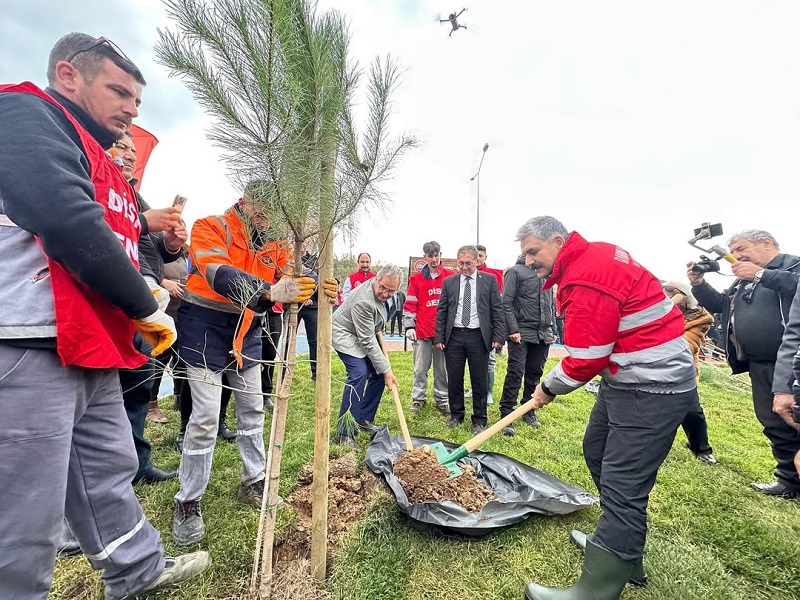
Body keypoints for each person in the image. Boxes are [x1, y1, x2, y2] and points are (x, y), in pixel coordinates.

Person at [0, 32, 209, 599]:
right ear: (69, 75)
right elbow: (68, 221)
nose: (132, 110)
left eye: (138, 100)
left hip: (89, 341)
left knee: (106, 469)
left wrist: (155, 247)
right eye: (120, 92)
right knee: (26, 503)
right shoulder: (24, 114)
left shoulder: (102, 162)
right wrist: (143, 305)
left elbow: (122, 232)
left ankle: (136, 569)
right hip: (29, 340)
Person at [519, 217, 697, 600]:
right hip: (627, 378)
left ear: (558, 241)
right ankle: (620, 543)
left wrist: (547, 388)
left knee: (623, 482)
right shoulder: (593, 256)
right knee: (597, 450)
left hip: (653, 387)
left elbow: (587, 358)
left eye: (533, 251)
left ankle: (597, 586)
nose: (529, 261)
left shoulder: (585, 276)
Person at [171, 181, 328, 545]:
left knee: (253, 410)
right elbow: (218, 273)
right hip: (204, 331)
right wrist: (269, 292)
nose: (268, 216)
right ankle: (188, 500)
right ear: (246, 201)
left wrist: (318, 285)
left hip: (246, 332)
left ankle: (254, 481)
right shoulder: (211, 227)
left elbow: (294, 274)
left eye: (275, 209)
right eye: (263, 207)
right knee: (205, 417)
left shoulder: (275, 242)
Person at [688, 229, 800, 498]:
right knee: (772, 421)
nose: (736, 256)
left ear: (766, 243)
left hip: (792, 361)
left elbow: (795, 286)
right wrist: (699, 284)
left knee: (795, 417)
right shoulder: (743, 280)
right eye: (733, 252)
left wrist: (761, 275)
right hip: (759, 362)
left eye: (741, 248)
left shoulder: (792, 266)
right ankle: (789, 480)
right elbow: (720, 304)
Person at [113, 130, 185, 485]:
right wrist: (143, 222)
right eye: (121, 146)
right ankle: (110, 470)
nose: (130, 154)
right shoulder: (97, 185)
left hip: (143, 304)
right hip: (114, 299)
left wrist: (171, 242)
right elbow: (91, 229)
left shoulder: (135, 196)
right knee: (105, 391)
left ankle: (137, 463)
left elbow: (158, 249)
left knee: (139, 379)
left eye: (132, 149)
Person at [435, 245, 505, 434]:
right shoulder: (449, 282)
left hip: (478, 336)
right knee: (454, 378)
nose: (464, 267)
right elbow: (442, 310)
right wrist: (439, 336)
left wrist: (499, 336)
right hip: (454, 336)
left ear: (476, 261)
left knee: (479, 379)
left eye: (468, 263)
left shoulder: (489, 280)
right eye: (461, 263)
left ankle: (479, 420)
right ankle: (456, 415)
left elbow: (497, 309)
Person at [333, 265, 401, 450]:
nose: (385, 293)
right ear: (376, 279)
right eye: (383, 287)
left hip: (364, 332)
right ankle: (344, 433)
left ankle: (363, 417)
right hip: (345, 333)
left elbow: (376, 323)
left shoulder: (390, 295)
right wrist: (387, 370)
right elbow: (367, 341)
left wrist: (383, 369)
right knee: (359, 373)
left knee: (379, 371)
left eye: (391, 291)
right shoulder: (363, 301)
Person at [498, 254, 554, 436]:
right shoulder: (514, 272)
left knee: (535, 373)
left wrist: (553, 328)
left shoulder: (546, 273)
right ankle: (507, 413)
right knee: (515, 372)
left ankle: (528, 410)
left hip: (543, 332)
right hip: (521, 331)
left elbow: (550, 303)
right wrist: (513, 329)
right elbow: (506, 302)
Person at [662, 281, 717, 464]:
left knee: (691, 411)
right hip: (651, 366)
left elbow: (688, 345)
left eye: (670, 290)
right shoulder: (659, 308)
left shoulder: (701, 318)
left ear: (685, 296)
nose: (665, 293)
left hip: (682, 369)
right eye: (664, 289)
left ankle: (701, 449)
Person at [404, 241, 455, 416]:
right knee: (420, 369)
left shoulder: (450, 277)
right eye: (430, 256)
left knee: (442, 370)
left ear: (440, 254)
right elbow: (410, 304)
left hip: (443, 333)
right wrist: (409, 326)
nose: (434, 259)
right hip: (422, 331)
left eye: (436, 255)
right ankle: (418, 398)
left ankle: (442, 400)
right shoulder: (415, 280)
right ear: (424, 257)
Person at [476, 244, 505, 404]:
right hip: (470, 326)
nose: (478, 258)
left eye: (481, 255)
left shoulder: (494, 275)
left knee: (489, 359)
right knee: (472, 359)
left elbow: (498, 305)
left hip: (487, 325)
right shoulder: (464, 274)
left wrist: (497, 329)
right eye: (476, 255)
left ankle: (488, 391)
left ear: (485, 257)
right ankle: (474, 387)